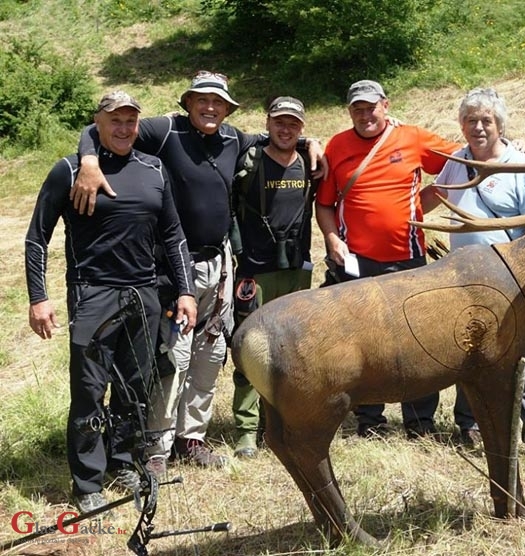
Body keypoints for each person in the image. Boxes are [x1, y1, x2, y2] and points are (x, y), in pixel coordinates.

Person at [71, 71, 325, 473]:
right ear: (188, 103)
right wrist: (87, 159)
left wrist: (313, 144)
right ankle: (157, 446)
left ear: (227, 109)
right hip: (174, 262)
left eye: (219, 103)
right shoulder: (165, 131)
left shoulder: (233, 139)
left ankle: (192, 438)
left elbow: (282, 137)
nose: (210, 108)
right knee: (175, 354)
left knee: (212, 352)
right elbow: (96, 127)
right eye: (202, 100)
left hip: (220, 262)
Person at [24, 90, 197, 513]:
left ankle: (122, 462)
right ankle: (86, 483)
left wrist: (187, 291)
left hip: (145, 296)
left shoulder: (153, 169)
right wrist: (39, 297)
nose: (123, 128)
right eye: (114, 120)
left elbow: (173, 236)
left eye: (130, 121)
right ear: (97, 123)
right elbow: (36, 238)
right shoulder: (69, 170)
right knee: (89, 390)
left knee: (134, 388)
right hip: (93, 294)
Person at [315, 79, 461, 439]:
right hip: (356, 261)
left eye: (371, 107)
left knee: (417, 339)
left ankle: (419, 420)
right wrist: (332, 239)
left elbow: (462, 158)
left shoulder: (411, 137)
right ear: (350, 111)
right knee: (363, 342)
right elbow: (324, 204)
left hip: (407, 257)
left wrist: (508, 147)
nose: (365, 115)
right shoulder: (337, 145)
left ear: (386, 105)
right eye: (357, 109)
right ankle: (369, 419)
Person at [424, 87, 525, 464]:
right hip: (460, 278)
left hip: (506, 280)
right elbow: (432, 195)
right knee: (467, 347)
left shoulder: (521, 166)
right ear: (461, 126)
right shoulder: (456, 161)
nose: (478, 128)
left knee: (519, 355)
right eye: (470, 121)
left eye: (486, 121)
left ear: (500, 125)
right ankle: (470, 424)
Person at [231, 96, 318, 457]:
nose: (286, 129)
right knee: (252, 349)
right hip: (256, 269)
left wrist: (310, 146)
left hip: (297, 268)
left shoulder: (310, 165)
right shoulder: (250, 162)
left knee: (292, 350)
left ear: (302, 127)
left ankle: (281, 423)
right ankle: (246, 429)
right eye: (279, 122)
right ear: (267, 123)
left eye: (293, 124)